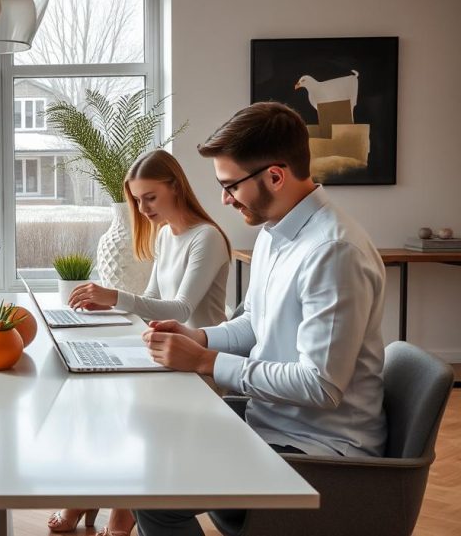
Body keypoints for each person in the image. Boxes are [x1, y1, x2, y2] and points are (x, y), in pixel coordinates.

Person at [134, 102, 387, 536]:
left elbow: (321, 386)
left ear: (275, 175)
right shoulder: (274, 232)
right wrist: (198, 336)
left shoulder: (333, 251)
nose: (223, 199)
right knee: (154, 446)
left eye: (231, 185)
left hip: (320, 453)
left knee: (154, 494)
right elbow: (254, 322)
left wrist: (205, 362)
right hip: (275, 426)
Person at [47, 150, 231, 536]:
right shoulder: (167, 234)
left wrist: (115, 296)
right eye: (137, 199)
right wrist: (107, 310)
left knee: (128, 414)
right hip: (166, 358)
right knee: (99, 401)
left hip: (198, 366)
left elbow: (180, 309)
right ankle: (103, 495)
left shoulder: (207, 238)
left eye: (150, 197)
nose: (143, 208)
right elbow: (150, 298)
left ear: (175, 187)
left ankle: (117, 506)